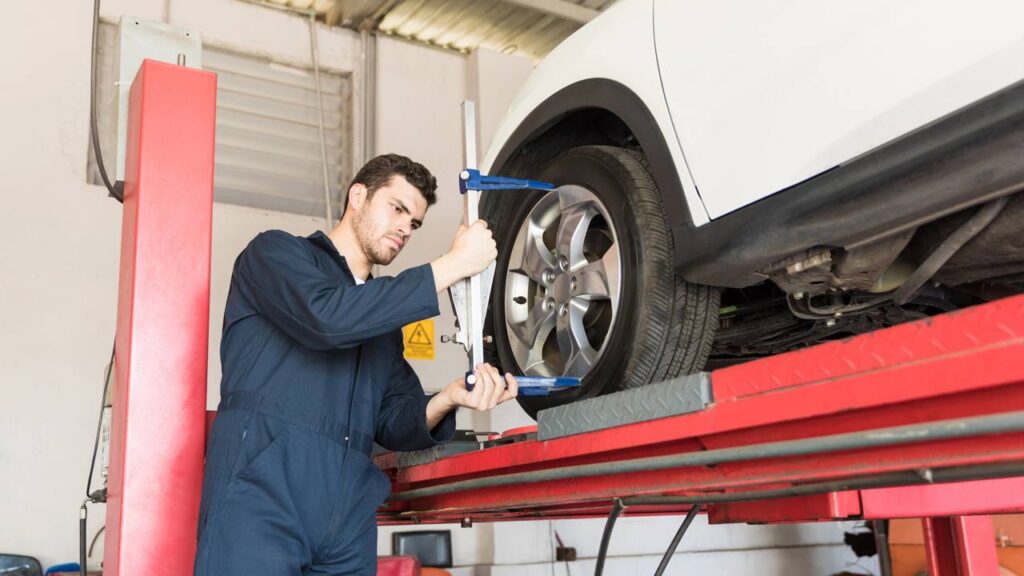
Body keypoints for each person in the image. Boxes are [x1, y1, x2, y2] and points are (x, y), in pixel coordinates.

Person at [194, 153, 518, 575]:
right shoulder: (275, 254)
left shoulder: (382, 323)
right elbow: (328, 319)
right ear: (358, 196)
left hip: (346, 522)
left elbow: (392, 420)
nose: (405, 228)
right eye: (397, 209)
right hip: (262, 500)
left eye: (414, 223)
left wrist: (449, 398)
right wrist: (453, 265)